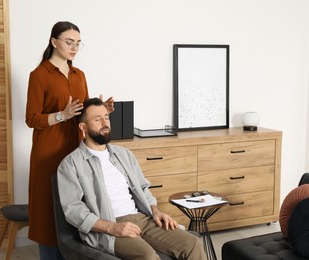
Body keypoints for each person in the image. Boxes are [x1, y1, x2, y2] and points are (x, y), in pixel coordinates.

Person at [57, 98, 207, 260]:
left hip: (142, 217)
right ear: (83, 127)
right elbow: (73, 210)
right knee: (148, 257)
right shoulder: (70, 164)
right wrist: (113, 227)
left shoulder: (124, 154)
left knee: (193, 244)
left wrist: (155, 211)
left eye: (106, 117)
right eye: (97, 119)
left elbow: (142, 187)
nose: (105, 122)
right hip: (108, 226)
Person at [25, 21, 114, 259]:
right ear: (54, 42)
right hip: (48, 153)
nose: (74, 47)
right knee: (48, 212)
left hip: (76, 152)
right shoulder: (39, 75)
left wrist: (100, 110)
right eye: (69, 42)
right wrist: (61, 115)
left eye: (77, 43)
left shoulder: (79, 75)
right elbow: (31, 118)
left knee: (77, 205)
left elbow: (83, 113)